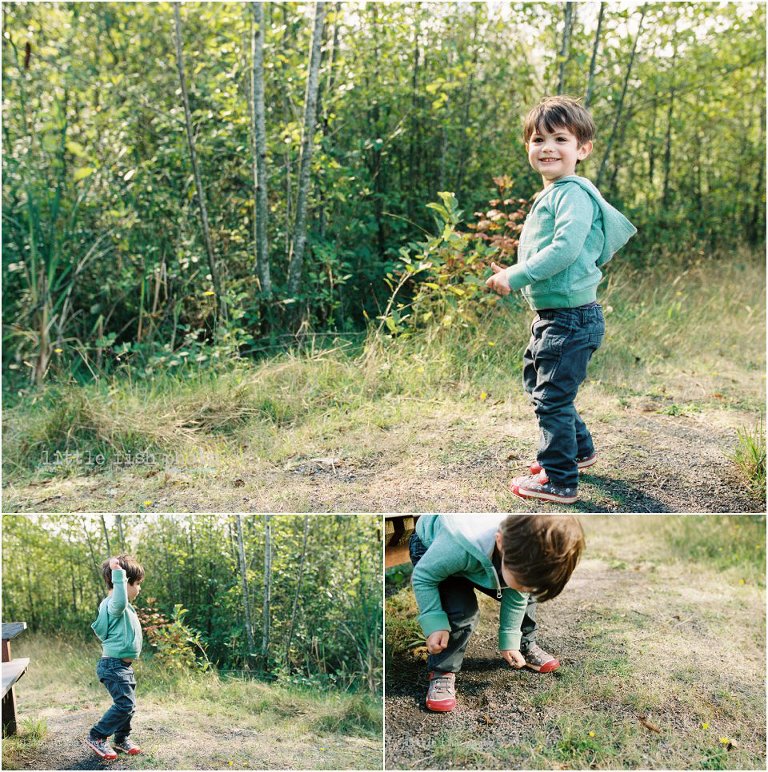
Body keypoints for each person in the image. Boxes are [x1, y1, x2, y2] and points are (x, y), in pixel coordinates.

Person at [486, 95, 636, 504]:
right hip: (557, 316)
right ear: (528, 148)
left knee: (552, 398)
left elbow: (565, 250)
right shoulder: (554, 192)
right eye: (538, 139)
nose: (547, 147)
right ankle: (579, 449)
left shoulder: (570, 193)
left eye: (560, 138)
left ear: (581, 149)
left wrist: (515, 276)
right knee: (542, 385)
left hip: (570, 319)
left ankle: (559, 478)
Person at [410, 514, 585, 712]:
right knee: (462, 611)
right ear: (501, 543)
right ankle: (442, 670)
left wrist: (508, 639)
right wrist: (434, 623)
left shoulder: (520, 551)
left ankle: (521, 645)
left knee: (527, 598)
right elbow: (424, 577)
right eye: (522, 580)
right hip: (434, 552)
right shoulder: (457, 544)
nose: (524, 588)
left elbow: (519, 595)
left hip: (481, 559)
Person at [85, 554, 145, 760]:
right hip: (113, 666)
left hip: (122, 667)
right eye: (136, 584)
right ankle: (97, 736)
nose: (139, 589)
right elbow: (119, 599)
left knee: (128, 705)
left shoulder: (122, 607)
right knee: (125, 705)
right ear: (123, 583)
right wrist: (118, 572)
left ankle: (121, 739)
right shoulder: (114, 603)